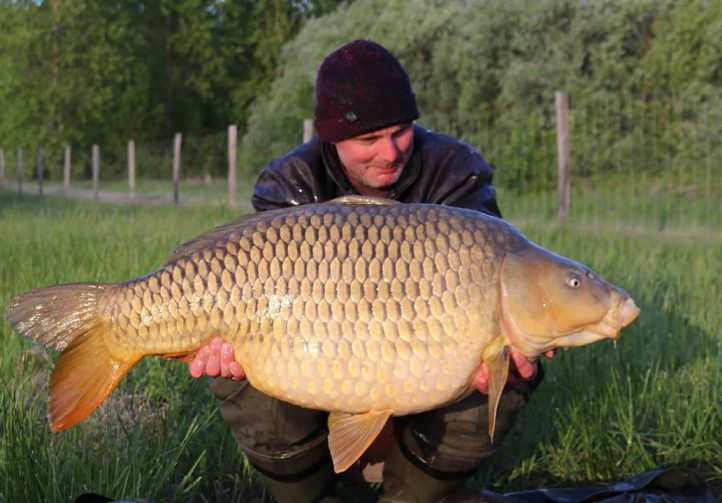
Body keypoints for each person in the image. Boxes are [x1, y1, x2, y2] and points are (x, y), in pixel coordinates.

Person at [189, 39, 552, 503]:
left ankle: (408, 495)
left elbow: (500, 278)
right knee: (236, 368)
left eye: (401, 131)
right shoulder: (291, 184)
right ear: (331, 137)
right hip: (319, 371)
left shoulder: (455, 173)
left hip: (425, 375)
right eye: (368, 139)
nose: (389, 152)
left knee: (511, 363)